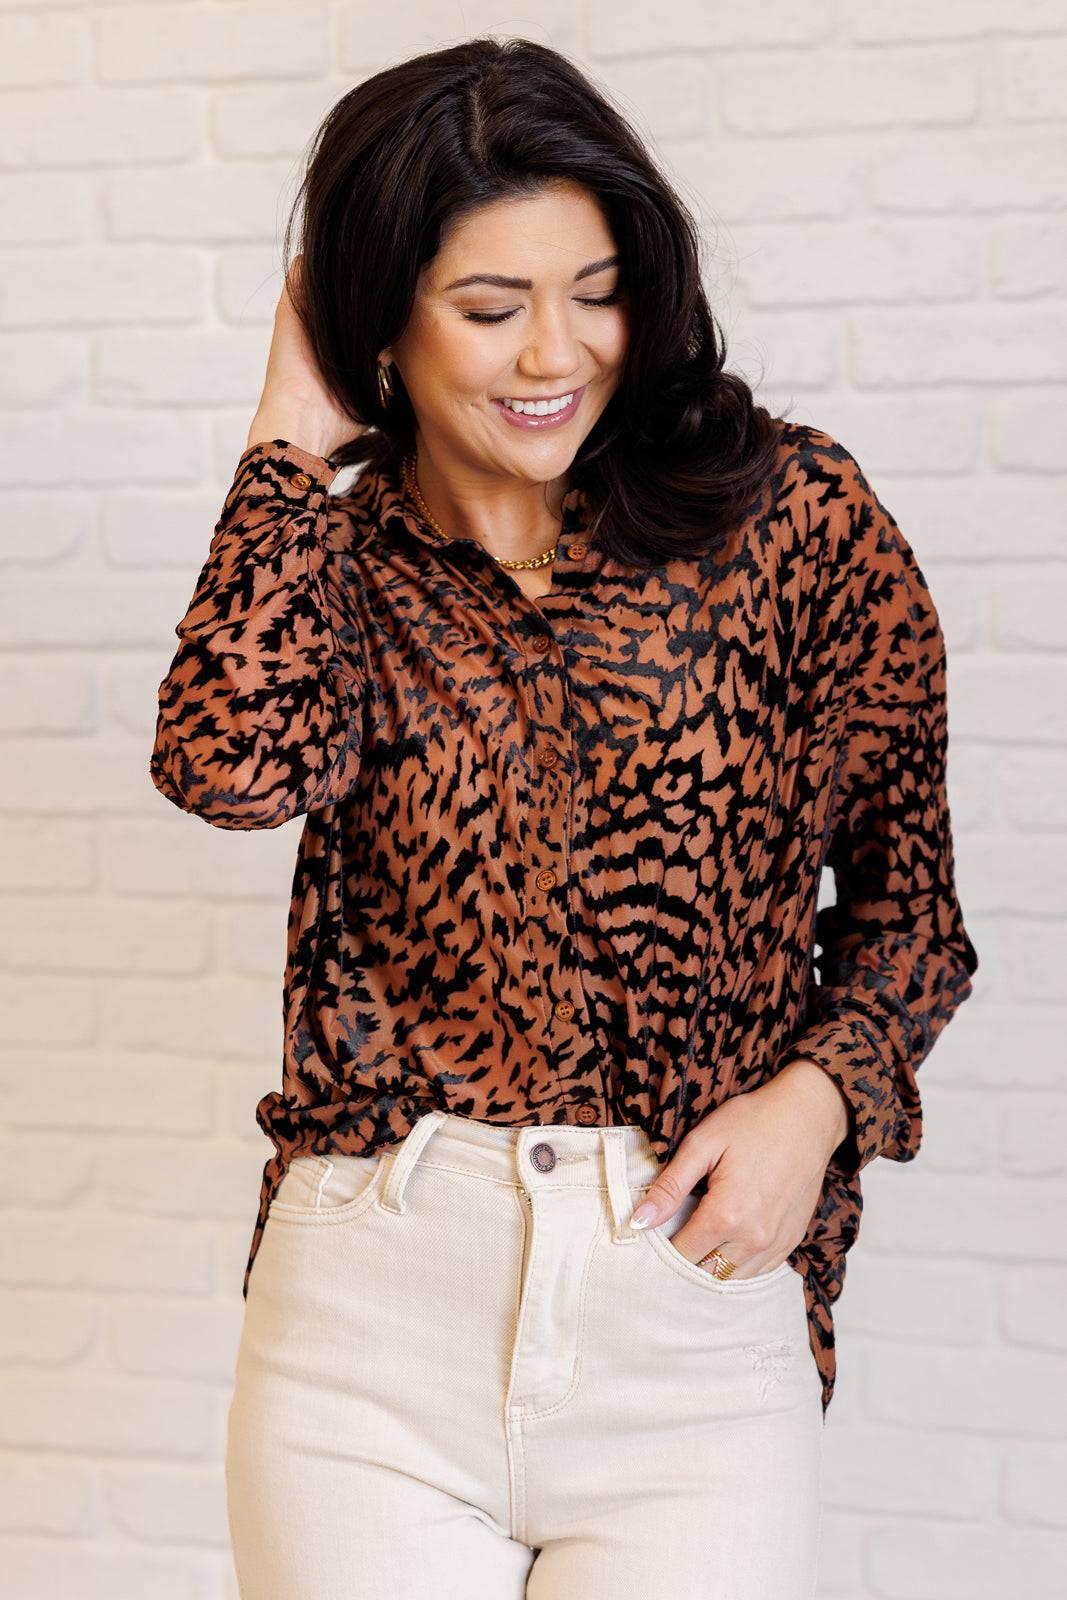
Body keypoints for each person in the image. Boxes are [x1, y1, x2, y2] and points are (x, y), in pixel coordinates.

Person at [149, 36, 978, 1600]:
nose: (555, 355)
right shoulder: (339, 569)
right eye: (488, 306)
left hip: (688, 1300)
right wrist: (280, 442)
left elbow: (910, 915)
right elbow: (225, 770)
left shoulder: (792, 521)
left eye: (594, 291)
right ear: (380, 314)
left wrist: (815, 1106)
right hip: (370, 1316)